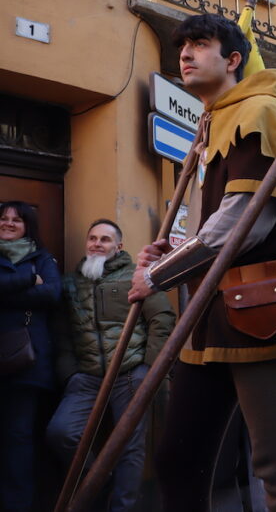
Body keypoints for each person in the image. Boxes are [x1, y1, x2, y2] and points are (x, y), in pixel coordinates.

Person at [128, 12, 276, 512]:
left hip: (260, 307)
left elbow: (243, 224)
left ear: (234, 59)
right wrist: (174, 250)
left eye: (200, 44)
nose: (185, 54)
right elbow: (211, 226)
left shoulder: (258, 111)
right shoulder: (212, 122)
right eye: (182, 47)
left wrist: (159, 275)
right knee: (178, 458)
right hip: (208, 314)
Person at [46, 219, 175, 512]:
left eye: (105, 240)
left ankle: (121, 507)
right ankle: (98, 481)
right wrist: (70, 374)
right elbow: (64, 333)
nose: (96, 244)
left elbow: (162, 319)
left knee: (128, 446)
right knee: (61, 432)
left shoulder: (138, 277)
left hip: (129, 374)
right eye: (92, 238)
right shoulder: (72, 282)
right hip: (87, 377)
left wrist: (149, 370)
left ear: (119, 246)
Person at [0, 201, 61, 512]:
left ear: (28, 226)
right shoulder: (33, 269)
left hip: (27, 363)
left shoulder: (43, 258)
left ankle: (16, 506)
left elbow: (52, 293)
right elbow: (37, 289)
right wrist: (26, 280)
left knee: (18, 438)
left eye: (17, 220)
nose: (9, 223)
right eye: (4, 218)